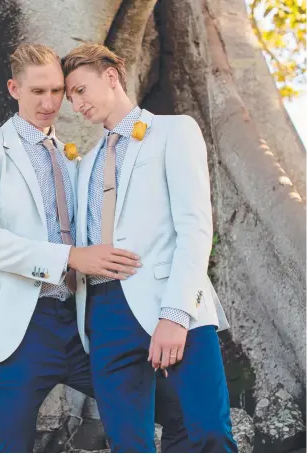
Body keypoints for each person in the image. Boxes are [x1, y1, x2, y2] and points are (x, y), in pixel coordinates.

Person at [0, 43, 190, 453]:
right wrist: (68, 258)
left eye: (58, 92)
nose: (49, 103)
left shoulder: (75, 158)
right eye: (37, 92)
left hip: (83, 326)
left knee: (180, 413)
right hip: (14, 332)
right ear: (14, 89)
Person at [62, 43, 238, 452]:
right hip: (103, 313)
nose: (76, 104)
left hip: (173, 301)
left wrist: (176, 315)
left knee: (208, 432)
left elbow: (195, 227)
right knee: (127, 442)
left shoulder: (175, 131)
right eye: (70, 97)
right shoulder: (84, 164)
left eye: (80, 90)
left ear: (110, 76)